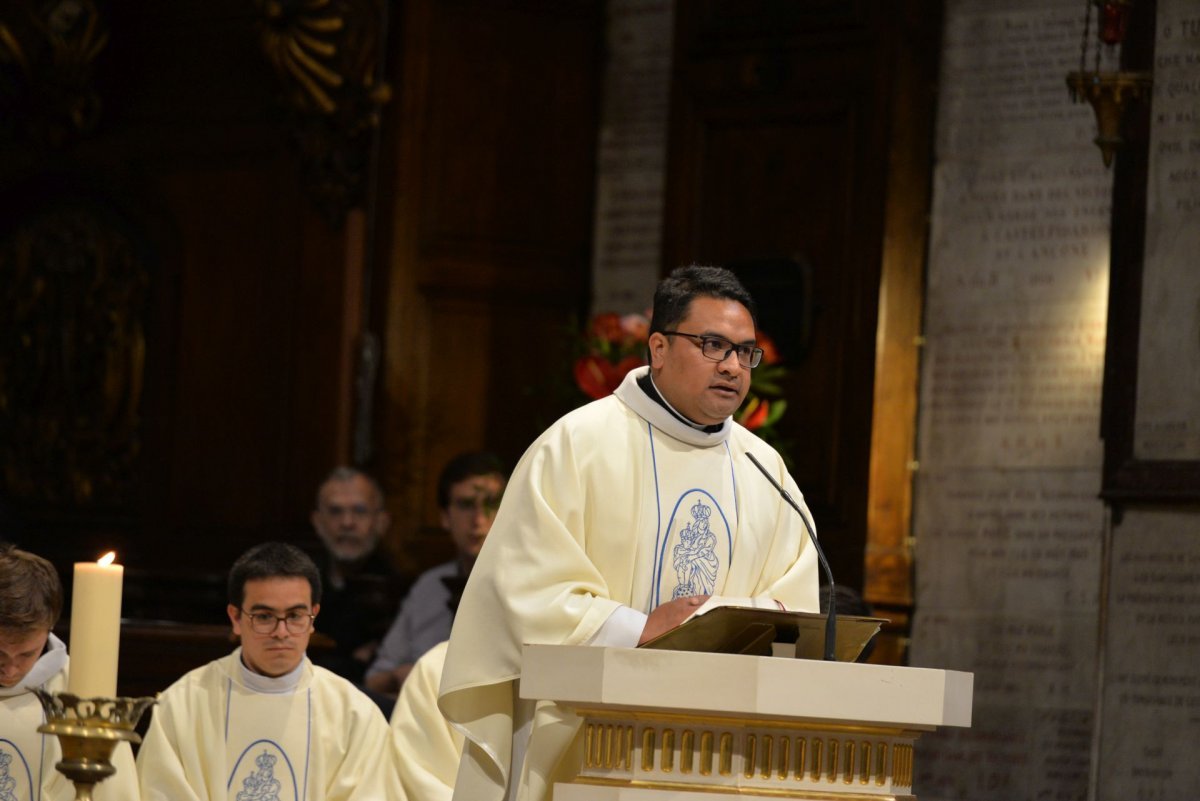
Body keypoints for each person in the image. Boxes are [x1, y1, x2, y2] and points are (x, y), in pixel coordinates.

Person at [438, 265, 821, 801]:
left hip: (722, 747)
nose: (733, 366)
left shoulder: (764, 469)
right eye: (713, 345)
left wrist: (737, 626)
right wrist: (636, 628)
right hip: (585, 738)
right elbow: (523, 590)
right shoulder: (577, 445)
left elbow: (796, 601)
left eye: (745, 351)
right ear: (658, 348)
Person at [136, 541, 395, 801]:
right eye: (264, 617)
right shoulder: (183, 704)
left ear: (313, 617)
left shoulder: (355, 715)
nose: (280, 632)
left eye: (294, 616)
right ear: (236, 618)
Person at [0, 544, 139, 801]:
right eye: (0, 654)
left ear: (49, 628)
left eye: (26, 655)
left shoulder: (81, 692)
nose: (10, 671)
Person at [365, 451, 507, 697]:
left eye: (491, 504)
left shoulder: (527, 588)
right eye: (465, 505)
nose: (479, 519)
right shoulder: (429, 587)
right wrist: (402, 675)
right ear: (444, 517)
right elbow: (375, 678)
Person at [308, 467, 407, 685]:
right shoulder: (301, 582)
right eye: (335, 511)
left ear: (381, 522)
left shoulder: (400, 591)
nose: (347, 523)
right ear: (317, 521)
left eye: (360, 511)